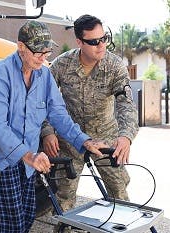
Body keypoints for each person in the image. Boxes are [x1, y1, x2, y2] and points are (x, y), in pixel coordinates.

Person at [0, 20, 107, 233]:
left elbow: (58, 113)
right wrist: (29, 155)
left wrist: (84, 140)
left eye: (46, 51)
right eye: (38, 52)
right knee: (12, 225)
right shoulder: (0, 74)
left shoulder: (44, 74)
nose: (44, 57)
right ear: (21, 47)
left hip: (29, 160)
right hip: (2, 159)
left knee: (27, 218)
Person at [41, 14, 139, 219]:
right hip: (70, 139)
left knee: (119, 193)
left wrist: (126, 136)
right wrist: (47, 131)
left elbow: (126, 104)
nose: (101, 45)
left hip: (106, 139)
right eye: (94, 42)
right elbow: (42, 101)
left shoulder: (114, 66)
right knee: (64, 199)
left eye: (104, 38)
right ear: (79, 42)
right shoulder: (61, 65)